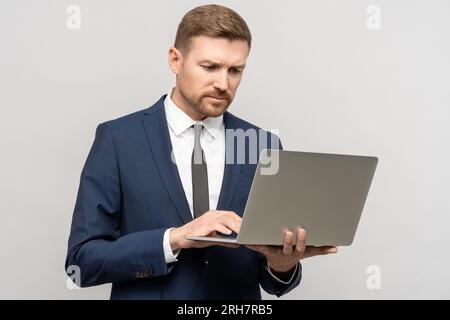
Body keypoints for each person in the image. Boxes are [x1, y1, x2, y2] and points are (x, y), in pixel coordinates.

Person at [65, 4, 337, 300]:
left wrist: (281, 264)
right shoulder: (118, 139)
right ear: (175, 60)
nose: (223, 84)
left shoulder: (263, 145)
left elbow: (273, 281)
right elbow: (82, 261)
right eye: (209, 67)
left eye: (235, 70)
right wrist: (176, 238)